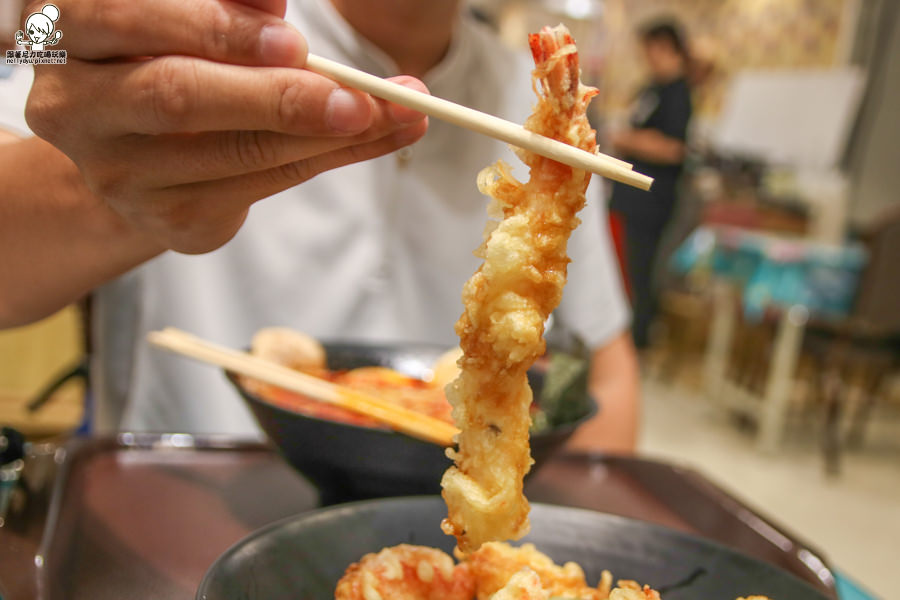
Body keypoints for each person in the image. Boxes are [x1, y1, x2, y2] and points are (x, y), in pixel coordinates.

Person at [0, 0, 639, 451]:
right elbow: (35, 40)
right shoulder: (198, 23)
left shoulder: (544, 111)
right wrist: (114, 187)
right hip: (176, 510)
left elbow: (610, 373)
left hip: (443, 548)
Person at [608, 19, 693, 350]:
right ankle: (621, 339)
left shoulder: (679, 93)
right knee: (623, 272)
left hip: (651, 201)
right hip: (627, 198)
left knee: (641, 274)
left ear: (667, 48)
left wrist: (627, 140)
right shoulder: (651, 88)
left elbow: (674, 147)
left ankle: (636, 344)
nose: (648, 57)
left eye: (651, 50)